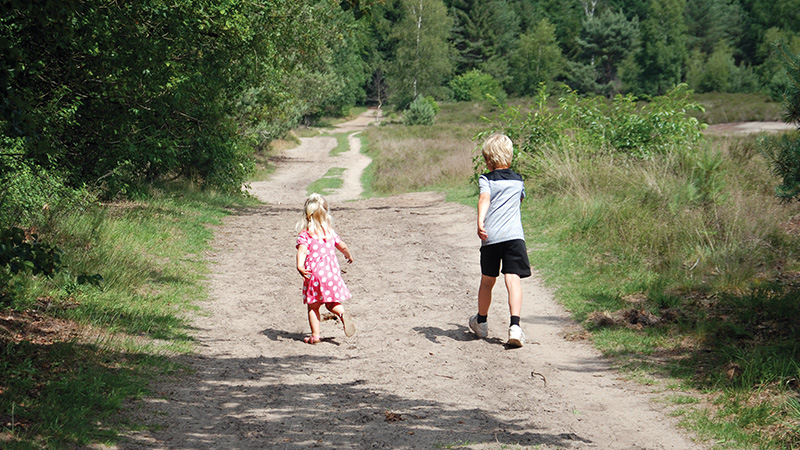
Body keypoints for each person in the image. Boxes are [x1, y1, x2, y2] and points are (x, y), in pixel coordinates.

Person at [469, 133, 531, 347]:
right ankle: (515, 326)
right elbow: (520, 199)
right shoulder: (518, 180)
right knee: (512, 279)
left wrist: (480, 221)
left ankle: (481, 323)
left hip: (491, 237)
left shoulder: (486, 179)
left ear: (487, 160)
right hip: (514, 237)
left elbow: (484, 198)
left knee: (488, 280)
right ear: (510, 157)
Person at [296, 193, 355, 344]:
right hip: (332, 275)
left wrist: (300, 266)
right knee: (331, 303)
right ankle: (342, 314)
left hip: (315, 275)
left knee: (313, 307)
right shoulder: (330, 233)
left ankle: (316, 335)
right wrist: (348, 255)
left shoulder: (306, 235)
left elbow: (302, 251)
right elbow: (342, 246)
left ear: (308, 216)